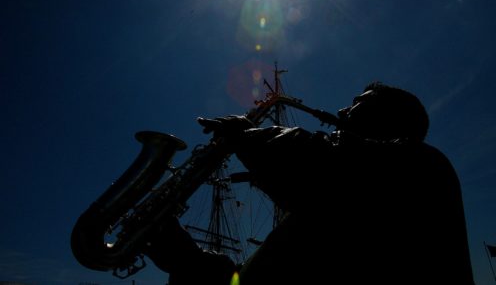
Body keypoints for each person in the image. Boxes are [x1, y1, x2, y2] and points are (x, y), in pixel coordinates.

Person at [144, 82, 475, 284]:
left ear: (391, 118)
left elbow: (318, 160)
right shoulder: (333, 206)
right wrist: (186, 261)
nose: (343, 109)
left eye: (359, 103)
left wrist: (245, 135)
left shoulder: (423, 165)